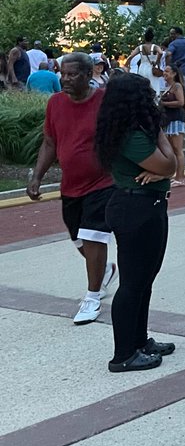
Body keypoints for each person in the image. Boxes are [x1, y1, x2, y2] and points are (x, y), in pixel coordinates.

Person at [26, 52, 118, 324]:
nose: (64, 79)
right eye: (62, 74)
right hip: (71, 186)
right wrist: (37, 177)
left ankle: (92, 297)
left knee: (93, 236)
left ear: (88, 75)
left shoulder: (104, 101)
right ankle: (104, 271)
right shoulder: (55, 103)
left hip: (103, 183)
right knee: (78, 237)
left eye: (72, 74)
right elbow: (50, 143)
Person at [95, 73, 177, 372]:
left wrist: (164, 169)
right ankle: (123, 355)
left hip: (145, 206)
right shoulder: (133, 134)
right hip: (136, 209)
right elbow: (171, 164)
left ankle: (140, 341)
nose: (153, 99)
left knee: (145, 279)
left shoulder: (131, 129)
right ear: (136, 100)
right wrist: (161, 145)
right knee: (132, 284)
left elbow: (167, 167)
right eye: (148, 95)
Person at [160, 63, 185, 186]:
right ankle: (176, 175)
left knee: (178, 149)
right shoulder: (169, 86)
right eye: (164, 71)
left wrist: (164, 104)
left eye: (167, 71)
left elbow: (180, 102)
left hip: (176, 119)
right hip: (169, 119)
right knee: (173, 149)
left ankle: (180, 178)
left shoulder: (177, 86)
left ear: (174, 73)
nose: (164, 73)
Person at [127, 28, 166, 95]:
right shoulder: (155, 47)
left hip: (142, 68)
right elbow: (161, 52)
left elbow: (131, 56)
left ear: (144, 38)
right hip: (151, 68)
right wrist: (157, 61)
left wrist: (127, 65)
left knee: (142, 86)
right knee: (153, 85)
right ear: (152, 38)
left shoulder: (140, 47)